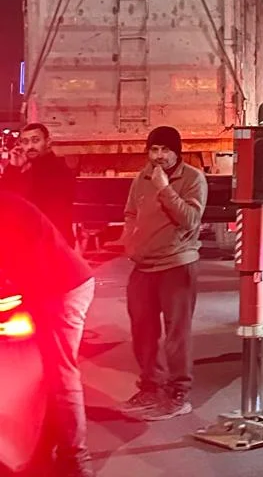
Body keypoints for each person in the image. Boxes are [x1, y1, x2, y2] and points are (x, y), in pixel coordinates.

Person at [0, 190, 96, 477]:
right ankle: (46, 444)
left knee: (60, 372)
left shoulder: (6, 207)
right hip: (45, 285)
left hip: (63, 287)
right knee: (43, 370)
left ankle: (75, 458)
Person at [117, 126, 208, 421]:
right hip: (143, 266)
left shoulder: (192, 178)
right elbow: (130, 212)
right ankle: (150, 388)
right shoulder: (141, 177)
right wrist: (130, 241)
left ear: (177, 152)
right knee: (142, 331)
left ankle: (178, 394)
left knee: (176, 335)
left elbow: (191, 219)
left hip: (177, 265)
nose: (159, 156)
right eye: (154, 150)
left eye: (165, 150)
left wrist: (165, 189)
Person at [0, 123, 78, 248]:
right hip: (34, 244)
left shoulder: (58, 171)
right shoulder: (29, 170)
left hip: (52, 245)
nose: (30, 146)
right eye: (25, 142)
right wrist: (14, 167)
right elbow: (6, 201)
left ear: (48, 142)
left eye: (35, 140)